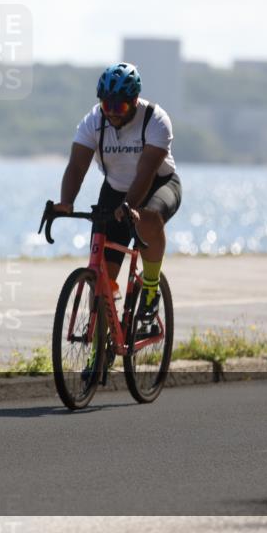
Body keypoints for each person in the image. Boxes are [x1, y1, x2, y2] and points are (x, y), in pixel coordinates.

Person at [53, 62, 181, 331]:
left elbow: (145, 173)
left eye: (119, 107)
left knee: (148, 218)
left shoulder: (155, 120)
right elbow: (77, 167)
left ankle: (149, 290)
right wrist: (66, 202)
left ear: (134, 101)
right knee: (100, 274)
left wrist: (130, 206)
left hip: (158, 183)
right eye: (106, 105)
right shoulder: (93, 121)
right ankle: (100, 346)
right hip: (115, 188)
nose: (111, 113)